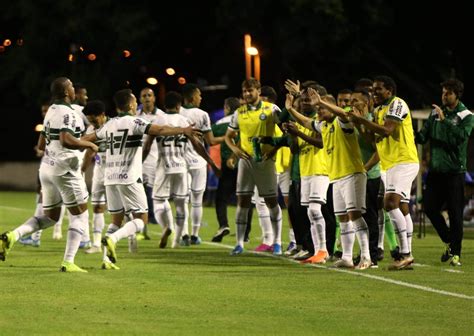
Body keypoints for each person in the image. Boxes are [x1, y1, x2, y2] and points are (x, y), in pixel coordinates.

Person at [81, 89, 201, 269]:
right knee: (141, 219)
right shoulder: (135, 121)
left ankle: (106, 260)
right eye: (135, 100)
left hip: (110, 179)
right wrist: (184, 130)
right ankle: (113, 238)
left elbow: (87, 138)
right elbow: (159, 129)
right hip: (129, 178)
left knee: (115, 220)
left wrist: (69, 142)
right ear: (130, 105)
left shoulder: (109, 125)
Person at [1, 77, 98, 272]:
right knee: (80, 215)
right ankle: (68, 262)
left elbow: (41, 145)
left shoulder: (51, 111)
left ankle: (13, 236)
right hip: (65, 170)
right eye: (71, 86)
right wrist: (89, 144)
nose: (73, 90)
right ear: (66, 92)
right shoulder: (67, 112)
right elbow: (66, 140)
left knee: (51, 217)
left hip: (47, 168)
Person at [286, 89, 371, 269]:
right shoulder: (325, 126)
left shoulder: (342, 122)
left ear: (331, 108)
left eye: (321, 108)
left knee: (355, 216)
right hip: (337, 176)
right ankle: (347, 257)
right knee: (343, 218)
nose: (318, 111)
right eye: (317, 108)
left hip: (353, 174)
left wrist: (323, 102)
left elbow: (344, 113)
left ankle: (366, 256)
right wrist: (291, 110)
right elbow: (307, 122)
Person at [348, 75, 419, 270]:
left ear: (389, 90)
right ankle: (407, 254)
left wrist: (362, 119)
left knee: (389, 203)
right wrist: (360, 124)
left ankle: (405, 254)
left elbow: (387, 130)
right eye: (373, 90)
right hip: (389, 164)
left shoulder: (397, 104)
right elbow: (373, 140)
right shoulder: (378, 110)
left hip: (403, 161)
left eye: (378, 89)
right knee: (401, 208)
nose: (374, 93)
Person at [143, 91, 217, 249]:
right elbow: (197, 145)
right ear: (178, 106)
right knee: (181, 203)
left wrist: (139, 163)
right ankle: (177, 239)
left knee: (158, 201)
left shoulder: (158, 120)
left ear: (165, 105)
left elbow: (148, 145)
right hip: (182, 167)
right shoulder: (185, 121)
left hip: (164, 165)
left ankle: (166, 227)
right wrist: (210, 161)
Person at [415, 78, 473, 266]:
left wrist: (445, 120)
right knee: (430, 208)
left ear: (457, 95)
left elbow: (461, 138)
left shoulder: (466, 115)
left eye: (448, 93)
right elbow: (423, 137)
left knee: (456, 213)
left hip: (455, 172)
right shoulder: (434, 113)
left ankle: (456, 253)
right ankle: (449, 241)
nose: (444, 96)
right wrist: (410, 133)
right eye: (443, 92)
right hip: (436, 171)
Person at [225, 78, 283, 255]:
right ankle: (239, 243)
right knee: (242, 201)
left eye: (250, 90)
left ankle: (277, 242)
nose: (247, 94)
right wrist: (235, 150)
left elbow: (284, 133)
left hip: (265, 162)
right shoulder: (239, 113)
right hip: (246, 162)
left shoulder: (271, 109)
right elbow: (229, 136)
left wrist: (273, 151)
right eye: (244, 91)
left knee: (271, 201)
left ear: (258, 90)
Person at [180, 83, 224, 245]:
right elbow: (211, 141)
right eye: (199, 95)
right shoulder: (202, 114)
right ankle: (195, 234)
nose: (201, 98)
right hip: (198, 161)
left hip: (181, 162)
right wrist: (227, 137)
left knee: (182, 199)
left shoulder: (177, 113)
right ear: (192, 97)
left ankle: (183, 234)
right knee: (197, 200)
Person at [211, 97, 242, 242]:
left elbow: (209, 138)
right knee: (245, 198)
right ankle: (245, 232)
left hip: (228, 163)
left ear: (227, 108)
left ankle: (223, 224)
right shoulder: (245, 119)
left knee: (221, 198)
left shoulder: (221, 123)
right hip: (245, 162)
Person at [80, 100, 109, 254]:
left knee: (123, 209)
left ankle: (131, 239)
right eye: (90, 120)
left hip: (116, 172)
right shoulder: (91, 130)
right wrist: (82, 170)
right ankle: (97, 244)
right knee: (97, 207)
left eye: (94, 119)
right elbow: (89, 152)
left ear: (103, 115)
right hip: (99, 171)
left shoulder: (114, 126)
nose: (93, 123)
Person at [137, 87, 165, 229]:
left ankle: (153, 216)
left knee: (152, 189)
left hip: (154, 157)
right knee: (138, 188)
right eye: (144, 95)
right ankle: (142, 217)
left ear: (154, 98)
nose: (147, 98)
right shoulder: (136, 115)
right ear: (140, 99)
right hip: (137, 158)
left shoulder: (161, 116)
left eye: (149, 95)